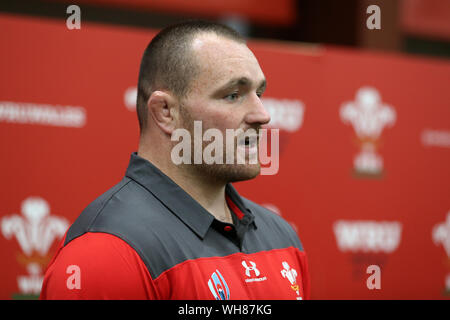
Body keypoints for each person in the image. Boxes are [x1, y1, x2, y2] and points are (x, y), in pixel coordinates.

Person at [40, 20, 310, 300]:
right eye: (233, 95)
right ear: (166, 111)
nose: (262, 115)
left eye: (259, 94)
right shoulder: (106, 254)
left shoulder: (281, 238)